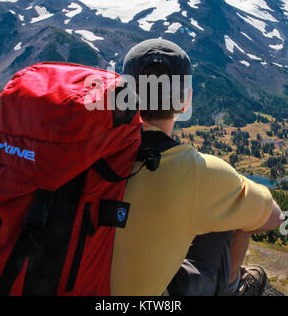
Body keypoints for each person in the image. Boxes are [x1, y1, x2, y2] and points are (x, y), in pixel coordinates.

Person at [109, 39, 284, 296]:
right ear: (185, 99)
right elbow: (275, 217)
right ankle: (230, 290)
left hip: (85, 279)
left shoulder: (92, 151)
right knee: (231, 215)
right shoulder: (199, 173)